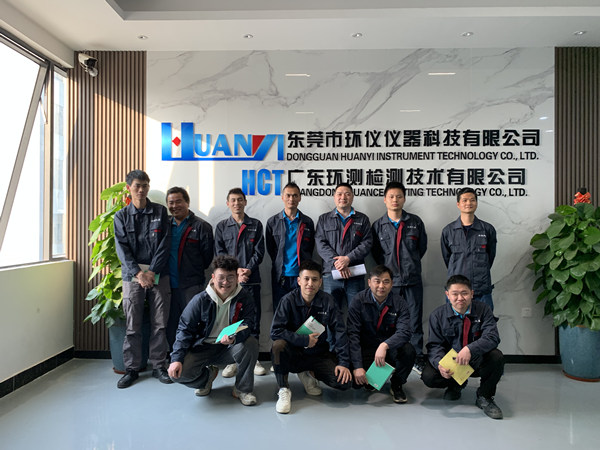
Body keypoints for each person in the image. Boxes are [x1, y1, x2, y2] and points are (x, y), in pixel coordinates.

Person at [167, 255, 259, 406]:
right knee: (177, 374)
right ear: (213, 277)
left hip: (228, 348)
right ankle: (207, 378)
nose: (225, 282)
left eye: (230, 277)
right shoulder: (200, 300)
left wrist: (235, 337)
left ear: (237, 278)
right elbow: (184, 329)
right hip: (202, 348)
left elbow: (248, 323)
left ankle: (243, 389)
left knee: (251, 343)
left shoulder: (245, 297)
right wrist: (176, 359)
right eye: (221, 277)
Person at [113, 170, 172, 388]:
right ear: (129, 187)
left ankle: (159, 365)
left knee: (160, 323)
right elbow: (122, 249)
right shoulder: (121, 216)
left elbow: (165, 244)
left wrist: (152, 272)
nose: (141, 189)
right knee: (132, 324)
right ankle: (132, 369)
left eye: (145, 185)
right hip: (132, 277)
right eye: (137, 185)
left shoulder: (160, 212)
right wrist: (139, 274)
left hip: (158, 274)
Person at [270, 260, 352, 414]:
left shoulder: (328, 301)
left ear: (320, 282)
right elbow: (275, 331)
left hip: (317, 354)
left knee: (343, 383)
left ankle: (308, 373)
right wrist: (304, 340)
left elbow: (340, 332)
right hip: (294, 354)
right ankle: (284, 388)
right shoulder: (288, 300)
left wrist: (343, 363)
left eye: (314, 280)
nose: (310, 283)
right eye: (306, 279)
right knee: (278, 346)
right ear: (299, 281)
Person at [421, 275, 504, 419]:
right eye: (455, 294)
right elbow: (434, 345)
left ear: (472, 293)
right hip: (452, 362)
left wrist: (470, 349)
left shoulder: (483, 310)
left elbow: (492, 337)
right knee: (429, 376)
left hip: (475, 359)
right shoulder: (437, 315)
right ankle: (456, 384)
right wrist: (440, 363)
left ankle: (485, 396)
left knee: (496, 357)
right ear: (447, 295)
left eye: (464, 293)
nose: (460, 298)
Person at [371, 181, 428, 373]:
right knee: (387, 323)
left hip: (412, 281)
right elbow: (377, 254)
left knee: (414, 320)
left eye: (399, 196)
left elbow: (421, 248)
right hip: (388, 285)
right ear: (385, 199)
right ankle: (390, 359)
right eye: (391, 196)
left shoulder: (415, 222)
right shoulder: (378, 226)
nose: (395, 200)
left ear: (404, 199)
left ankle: (417, 357)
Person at [214, 188, 267, 377]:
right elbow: (219, 253)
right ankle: (232, 359)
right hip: (228, 283)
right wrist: (235, 272)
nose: (237, 203)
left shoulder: (256, 225)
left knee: (253, 319)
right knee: (231, 320)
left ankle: (254, 358)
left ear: (245, 202)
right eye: (233, 200)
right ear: (228, 203)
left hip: (251, 281)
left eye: (240, 200)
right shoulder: (222, 227)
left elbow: (259, 252)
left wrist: (247, 270)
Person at [347, 265, 416, 403]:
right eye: (377, 281)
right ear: (369, 282)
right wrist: (358, 366)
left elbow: (405, 332)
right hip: (366, 348)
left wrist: (385, 345)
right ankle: (374, 379)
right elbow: (352, 334)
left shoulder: (399, 303)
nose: (381, 286)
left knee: (409, 351)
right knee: (356, 383)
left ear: (392, 283)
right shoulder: (358, 301)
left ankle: (397, 384)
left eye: (386, 282)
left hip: (389, 349)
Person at [166, 187, 214, 352]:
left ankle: (192, 357)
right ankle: (174, 357)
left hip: (191, 284)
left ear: (187, 202)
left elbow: (207, 258)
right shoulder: (165, 225)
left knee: (192, 322)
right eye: (171, 203)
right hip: (167, 284)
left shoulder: (202, 226)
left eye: (178, 201)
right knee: (170, 323)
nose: (175, 206)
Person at [315, 183, 373, 312]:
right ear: (334, 196)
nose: (343, 197)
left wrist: (348, 259)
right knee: (330, 313)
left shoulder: (362, 219)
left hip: (355, 275)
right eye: (339, 194)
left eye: (347, 194)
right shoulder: (324, 219)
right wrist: (337, 263)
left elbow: (367, 243)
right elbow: (320, 243)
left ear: (352, 197)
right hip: (331, 274)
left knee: (357, 312)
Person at [441, 187, 497, 310]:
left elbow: (490, 256)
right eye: (465, 200)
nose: (468, 203)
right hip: (456, 290)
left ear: (476, 203)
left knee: (484, 320)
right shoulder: (448, 231)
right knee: (454, 321)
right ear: (458, 204)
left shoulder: (487, 229)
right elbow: (447, 258)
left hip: (481, 289)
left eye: (472, 200)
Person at [266, 182, 315, 312]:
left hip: (302, 276)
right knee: (280, 311)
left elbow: (309, 248)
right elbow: (271, 249)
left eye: (295, 195)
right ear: (282, 197)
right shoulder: (272, 222)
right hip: (281, 276)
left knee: (302, 311)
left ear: (300, 198)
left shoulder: (307, 222)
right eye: (288, 195)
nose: (291, 199)